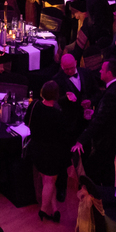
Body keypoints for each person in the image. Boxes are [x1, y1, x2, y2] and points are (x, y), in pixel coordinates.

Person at [75, 58, 116, 185]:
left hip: (107, 140)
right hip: (115, 137)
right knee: (107, 169)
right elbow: (111, 114)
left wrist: (81, 139)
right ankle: (107, 196)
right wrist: (95, 113)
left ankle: (96, 198)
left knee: (91, 169)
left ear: (109, 74)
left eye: (102, 70)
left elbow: (100, 121)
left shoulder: (111, 93)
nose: (99, 71)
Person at [27, 81, 74, 222]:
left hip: (36, 149)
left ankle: (55, 210)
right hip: (52, 153)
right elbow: (64, 136)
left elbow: (26, 121)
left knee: (47, 181)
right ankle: (43, 211)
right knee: (49, 182)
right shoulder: (58, 115)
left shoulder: (34, 105)